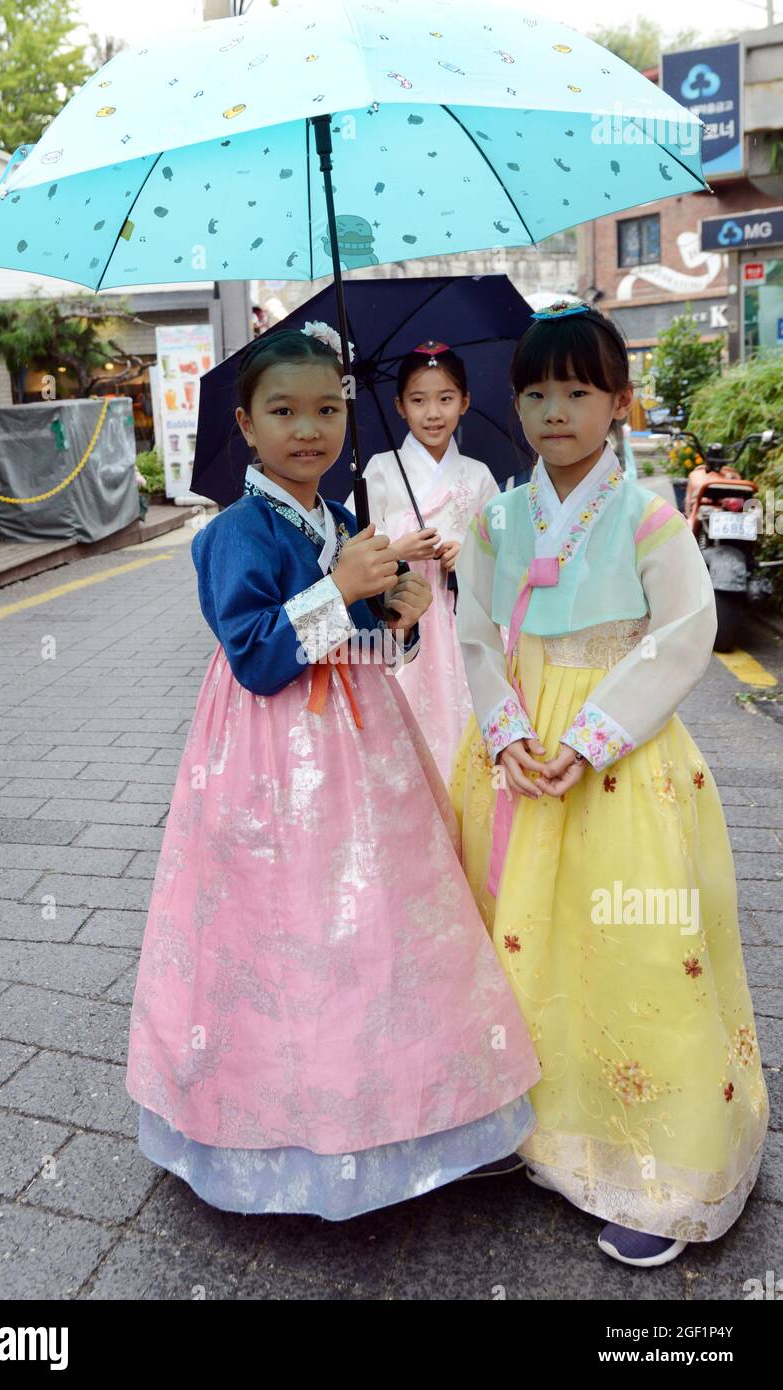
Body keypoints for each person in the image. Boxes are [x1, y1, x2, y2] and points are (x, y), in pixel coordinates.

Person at [125, 321, 541, 1221]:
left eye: (325, 410)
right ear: (246, 423)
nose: (307, 429)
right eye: (283, 411)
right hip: (268, 760)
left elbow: (370, 653)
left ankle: (412, 1111)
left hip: (367, 748)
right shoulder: (234, 533)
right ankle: (271, 1127)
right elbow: (259, 658)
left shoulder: (342, 517)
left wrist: (401, 613)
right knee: (288, 930)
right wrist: (338, 587)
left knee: (385, 923)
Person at [449, 300, 768, 1267]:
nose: (555, 410)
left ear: (619, 403)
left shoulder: (649, 518)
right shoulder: (497, 521)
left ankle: (661, 1171)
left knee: (632, 946)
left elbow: (683, 639)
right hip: (517, 758)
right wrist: (506, 733)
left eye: (578, 391)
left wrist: (589, 738)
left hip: (619, 761)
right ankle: (528, 1124)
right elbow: (473, 635)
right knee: (520, 939)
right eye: (536, 392)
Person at [345, 342, 499, 781]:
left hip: (459, 616)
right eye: (418, 400)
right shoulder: (379, 470)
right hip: (399, 616)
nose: (433, 412)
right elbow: (350, 551)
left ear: (465, 403)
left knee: (467, 725)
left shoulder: (479, 475)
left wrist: (468, 555)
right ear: (399, 406)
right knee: (402, 736)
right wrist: (398, 551)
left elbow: (502, 555)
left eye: (446, 398)